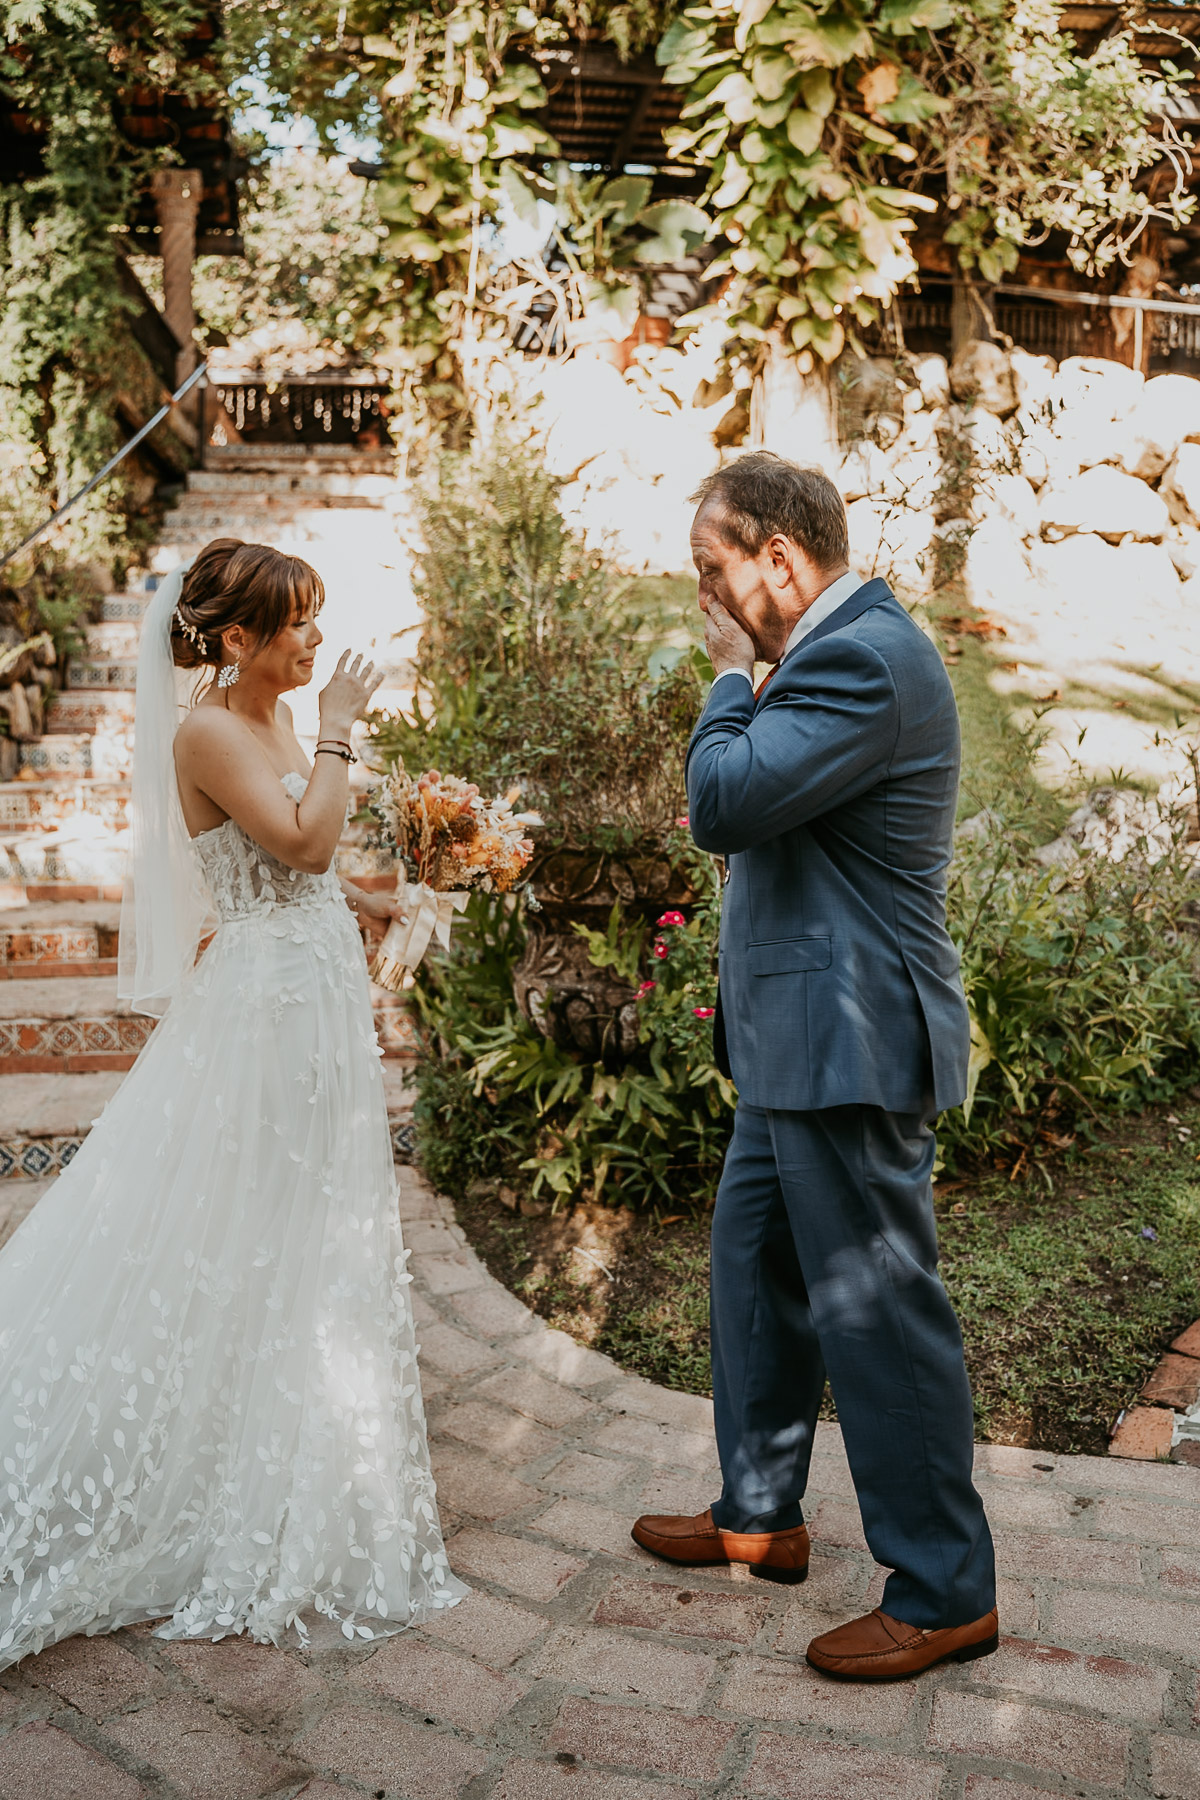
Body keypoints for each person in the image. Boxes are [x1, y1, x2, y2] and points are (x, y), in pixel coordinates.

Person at [0, 538, 464, 1670]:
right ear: (238, 640)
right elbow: (302, 829)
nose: (315, 642)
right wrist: (348, 727)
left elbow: (299, 859)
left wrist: (378, 891)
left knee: (302, 1228)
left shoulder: (274, 718)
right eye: (297, 625)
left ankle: (275, 1430)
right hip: (262, 1009)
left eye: (318, 619)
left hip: (313, 993)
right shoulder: (206, 726)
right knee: (251, 1222)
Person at [630, 454, 997, 1681]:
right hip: (799, 1044)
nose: (706, 603)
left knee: (876, 1316)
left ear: (778, 561)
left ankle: (945, 1588)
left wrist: (729, 680)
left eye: (711, 573)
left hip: (852, 1043)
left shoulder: (859, 659)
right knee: (753, 1274)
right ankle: (760, 1512)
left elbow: (724, 801)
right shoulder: (830, 656)